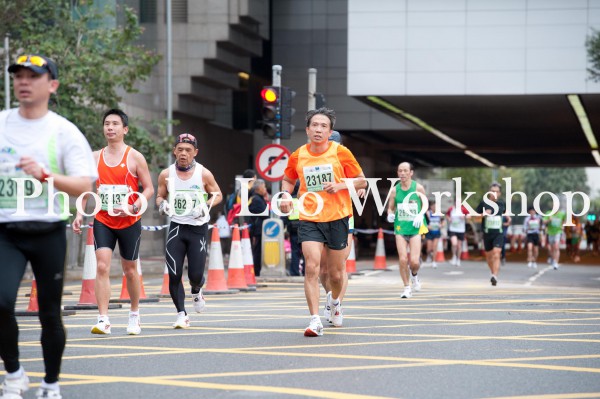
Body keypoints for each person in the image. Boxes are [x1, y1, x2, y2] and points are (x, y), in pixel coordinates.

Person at [0, 54, 97, 399]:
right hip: (6, 231)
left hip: (48, 230)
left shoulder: (63, 131)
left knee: (49, 314)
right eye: (19, 76)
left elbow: (86, 184)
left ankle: (50, 383)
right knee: (0, 303)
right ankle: (13, 374)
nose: (24, 82)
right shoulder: (1, 123)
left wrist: (46, 175)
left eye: (33, 76)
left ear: (51, 85)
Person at [280, 108, 366, 337]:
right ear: (307, 129)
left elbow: (362, 181)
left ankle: (335, 302)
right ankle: (315, 320)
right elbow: (288, 179)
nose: (318, 129)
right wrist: (286, 195)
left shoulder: (341, 152)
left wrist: (341, 185)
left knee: (336, 275)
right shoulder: (298, 155)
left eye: (323, 126)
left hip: (337, 217)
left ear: (330, 131)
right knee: (312, 267)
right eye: (314, 125)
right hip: (309, 217)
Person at [73, 109, 154, 336]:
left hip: (129, 221)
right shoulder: (94, 157)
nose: (110, 127)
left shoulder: (135, 157)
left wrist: (134, 205)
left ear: (124, 129)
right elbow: (86, 188)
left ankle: (135, 314)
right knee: (101, 266)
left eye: (115, 124)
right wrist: (80, 214)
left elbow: (148, 188)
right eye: (107, 123)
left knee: (129, 269)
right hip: (103, 219)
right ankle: (103, 319)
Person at [155, 133, 222, 329]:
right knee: (174, 273)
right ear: (174, 151)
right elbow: (159, 196)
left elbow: (217, 195)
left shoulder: (204, 173)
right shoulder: (166, 174)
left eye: (188, 150)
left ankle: (196, 290)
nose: (183, 153)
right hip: (176, 227)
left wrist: (206, 205)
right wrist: (162, 205)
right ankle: (181, 314)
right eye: (180, 149)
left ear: (195, 153)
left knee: (195, 274)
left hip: (197, 229)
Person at [317, 131, 365, 323]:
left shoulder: (345, 161)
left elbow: (359, 179)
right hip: (319, 216)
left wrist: (357, 186)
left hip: (344, 217)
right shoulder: (314, 161)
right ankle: (331, 298)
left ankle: (336, 305)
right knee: (323, 269)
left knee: (340, 265)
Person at [386, 162, 427, 299]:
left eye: (405, 171)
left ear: (411, 173)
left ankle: (414, 276)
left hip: (415, 228)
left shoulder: (419, 188)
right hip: (400, 228)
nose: (402, 173)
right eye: (400, 171)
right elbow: (390, 207)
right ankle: (406, 287)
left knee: (414, 262)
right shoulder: (394, 190)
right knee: (403, 259)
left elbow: (425, 205)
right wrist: (390, 214)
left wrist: (420, 215)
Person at [476, 182, 511, 286]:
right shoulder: (483, 204)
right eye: (492, 191)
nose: (494, 193)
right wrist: (483, 214)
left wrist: (509, 219)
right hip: (487, 234)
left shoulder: (502, 204)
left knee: (496, 253)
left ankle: (494, 276)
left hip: (498, 233)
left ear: (499, 193)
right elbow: (475, 218)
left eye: (496, 192)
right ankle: (492, 273)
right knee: (489, 257)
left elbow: (506, 213)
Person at [248, 179, 269, 277]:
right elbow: (265, 214)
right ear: (259, 188)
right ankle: (256, 271)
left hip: (259, 229)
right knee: (258, 251)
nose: (265, 189)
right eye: (264, 187)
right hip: (258, 229)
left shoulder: (257, 198)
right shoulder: (256, 199)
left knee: (258, 250)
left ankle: (257, 270)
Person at [445, 202, 469, 266]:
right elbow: (447, 215)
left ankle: (458, 259)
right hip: (452, 229)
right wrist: (449, 218)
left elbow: (469, 216)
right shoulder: (451, 209)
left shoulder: (463, 209)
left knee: (459, 245)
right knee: (454, 243)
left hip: (461, 230)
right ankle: (454, 257)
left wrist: (464, 217)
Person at [424, 200, 444, 268]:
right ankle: (429, 255)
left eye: (436, 206)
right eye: (433, 206)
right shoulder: (428, 213)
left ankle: (434, 261)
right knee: (429, 248)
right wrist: (427, 226)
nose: (434, 207)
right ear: (431, 207)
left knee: (435, 246)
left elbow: (443, 221)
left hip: (436, 232)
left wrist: (441, 225)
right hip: (429, 232)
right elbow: (424, 222)